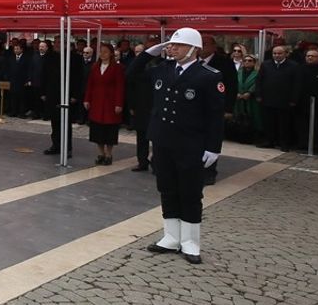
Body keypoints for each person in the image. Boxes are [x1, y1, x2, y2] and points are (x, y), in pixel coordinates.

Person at [131, 27, 225, 265]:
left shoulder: (208, 75)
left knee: (190, 192)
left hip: (191, 143)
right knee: (167, 188)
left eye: (178, 45)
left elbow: (215, 116)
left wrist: (213, 147)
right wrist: (148, 54)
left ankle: (190, 241)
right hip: (163, 140)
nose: (172, 48)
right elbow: (131, 74)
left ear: (193, 49)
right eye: (171, 45)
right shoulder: (162, 69)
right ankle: (171, 237)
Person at [198, 34, 238, 183]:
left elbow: (232, 86)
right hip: (196, 109)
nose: (202, 47)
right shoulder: (193, 61)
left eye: (205, 44)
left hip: (215, 108)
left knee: (211, 140)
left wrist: (228, 109)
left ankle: (209, 172)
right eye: (200, 44)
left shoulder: (224, 62)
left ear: (214, 47)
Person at [83, 42, 126, 165]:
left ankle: (109, 154)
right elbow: (90, 85)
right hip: (96, 102)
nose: (103, 54)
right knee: (97, 130)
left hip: (110, 103)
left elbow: (120, 87)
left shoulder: (117, 68)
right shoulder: (95, 67)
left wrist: (119, 103)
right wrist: (87, 99)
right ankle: (101, 153)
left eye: (105, 52)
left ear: (111, 53)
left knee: (109, 130)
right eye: (101, 52)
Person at [256, 45, 301, 151]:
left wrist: (294, 99)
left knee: (284, 124)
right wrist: (258, 95)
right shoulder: (266, 64)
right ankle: (269, 141)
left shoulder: (294, 66)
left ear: (286, 54)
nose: (277, 55)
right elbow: (259, 80)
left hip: (285, 100)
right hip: (268, 99)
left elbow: (297, 84)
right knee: (268, 122)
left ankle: (284, 143)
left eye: (279, 53)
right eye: (274, 53)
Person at [127, 37, 162, 171]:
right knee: (142, 137)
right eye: (149, 48)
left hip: (157, 106)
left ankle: (156, 163)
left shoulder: (163, 63)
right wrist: (132, 105)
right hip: (141, 105)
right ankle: (142, 161)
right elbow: (130, 78)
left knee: (157, 138)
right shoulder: (140, 65)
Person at [297, 48, 318, 153]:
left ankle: (317, 146)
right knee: (303, 125)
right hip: (302, 103)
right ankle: (303, 144)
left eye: (312, 56)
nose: (310, 58)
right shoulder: (300, 69)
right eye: (308, 56)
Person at [232, 55, 261, 145]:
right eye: (245, 60)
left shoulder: (257, 73)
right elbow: (234, 82)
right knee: (238, 117)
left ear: (254, 62)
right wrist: (236, 92)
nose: (247, 62)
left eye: (250, 60)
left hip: (251, 99)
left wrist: (250, 92)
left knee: (252, 117)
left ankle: (252, 137)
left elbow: (258, 83)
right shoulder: (238, 72)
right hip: (239, 98)